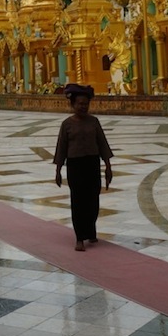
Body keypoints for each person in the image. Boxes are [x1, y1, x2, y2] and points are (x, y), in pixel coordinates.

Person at [53, 83, 114, 252]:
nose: (83, 107)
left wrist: (108, 167)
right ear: (72, 105)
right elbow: (61, 147)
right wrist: (58, 170)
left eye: (86, 104)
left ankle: (91, 230)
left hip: (92, 163)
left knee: (93, 199)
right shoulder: (67, 124)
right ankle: (80, 237)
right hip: (75, 165)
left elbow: (102, 144)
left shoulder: (94, 121)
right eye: (80, 104)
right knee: (78, 200)